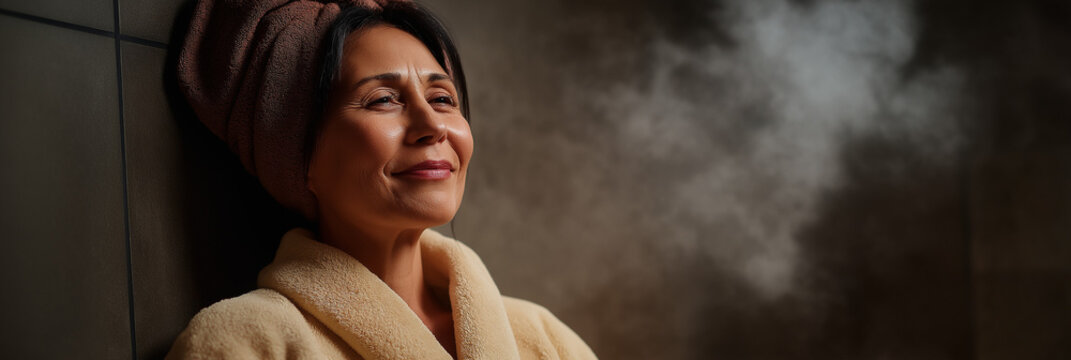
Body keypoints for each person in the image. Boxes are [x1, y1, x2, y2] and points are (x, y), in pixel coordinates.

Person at [167, 0, 597, 359]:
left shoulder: (543, 339)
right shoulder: (249, 342)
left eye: (442, 98)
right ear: (298, 154)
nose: (432, 125)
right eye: (383, 100)